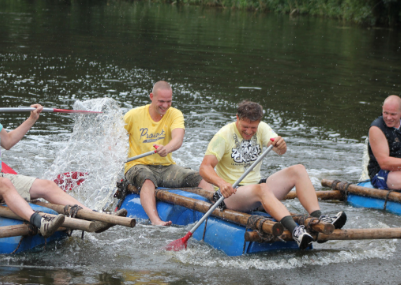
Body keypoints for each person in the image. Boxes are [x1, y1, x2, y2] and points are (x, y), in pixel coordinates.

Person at [0, 74, 90, 238]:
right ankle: (40, 222)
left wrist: (31, 119)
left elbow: (7, 141)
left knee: (46, 185)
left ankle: (92, 214)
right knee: (4, 183)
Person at [199, 100, 346, 249]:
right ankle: (295, 229)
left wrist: (280, 146)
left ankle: (318, 218)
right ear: (237, 118)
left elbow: (279, 149)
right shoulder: (223, 136)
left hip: (257, 188)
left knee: (298, 169)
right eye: (245, 127)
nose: (249, 131)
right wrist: (222, 183)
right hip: (232, 194)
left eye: (253, 128)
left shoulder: (262, 128)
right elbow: (204, 167)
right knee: (261, 188)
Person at [123, 81, 213, 226]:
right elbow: (113, 140)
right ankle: (156, 220)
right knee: (147, 178)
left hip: (166, 167)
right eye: (161, 101)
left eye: (169, 101)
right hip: (137, 165)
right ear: (151, 97)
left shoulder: (175, 114)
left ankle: (215, 212)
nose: (165, 106)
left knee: (200, 178)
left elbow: (178, 138)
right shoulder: (132, 115)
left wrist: (167, 148)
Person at [368, 95, 401, 190]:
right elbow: (384, 163)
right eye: (385, 113)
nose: (388, 118)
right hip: (381, 173)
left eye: (393, 114)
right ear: (382, 109)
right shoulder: (376, 128)